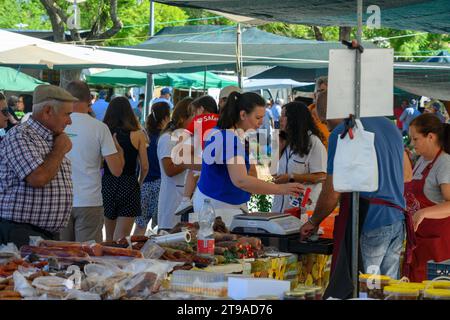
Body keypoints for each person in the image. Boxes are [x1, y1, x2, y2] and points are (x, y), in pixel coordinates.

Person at [300, 99, 406, 299]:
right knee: (389, 290)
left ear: (333, 113)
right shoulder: (389, 126)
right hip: (397, 218)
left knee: (371, 290)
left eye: (326, 122)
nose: (328, 127)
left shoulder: (343, 132)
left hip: (372, 221)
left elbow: (332, 191)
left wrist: (314, 221)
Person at [193, 92, 304, 213]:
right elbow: (241, 180)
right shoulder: (228, 138)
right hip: (219, 206)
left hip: (221, 203)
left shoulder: (226, 133)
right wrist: (281, 189)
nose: (261, 122)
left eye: (262, 117)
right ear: (243, 114)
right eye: (257, 118)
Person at [0, 85, 76, 247]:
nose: (69, 121)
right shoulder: (20, 135)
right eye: (67, 114)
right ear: (48, 111)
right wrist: (59, 149)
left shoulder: (50, 137)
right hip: (20, 232)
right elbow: (38, 178)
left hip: (41, 233)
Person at [60, 81, 125, 243]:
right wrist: (120, 151)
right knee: (88, 258)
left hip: (59, 200)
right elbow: (116, 170)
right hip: (89, 201)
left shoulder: (56, 124)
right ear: (89, 99)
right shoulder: (99, 127)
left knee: (60, 256)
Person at [404, 113, 450, 282]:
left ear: (430, 137)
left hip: (438, 245)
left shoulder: (444, 163)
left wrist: (423, 213)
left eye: (415, 139)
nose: (412, 143)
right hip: (419, 241)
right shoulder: (422, 161)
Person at [102, 97, 149, 241]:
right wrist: (139, 183)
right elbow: (145, 166)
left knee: (109, 238)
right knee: (122, 239)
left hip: (108, 183)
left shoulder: (105, 132)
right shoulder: (138, 134)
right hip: (129, 184)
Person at [272, 102, 327, 213]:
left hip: (302, 207)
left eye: (284, 116)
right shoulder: (285, 141)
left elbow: (321, 176)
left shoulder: (313, 142)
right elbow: (273, 172)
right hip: (279, 207)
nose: (280, 119)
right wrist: (278, 148)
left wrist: (291, 177)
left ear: (295, 119)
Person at [175, 95, 219, 216]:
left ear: (201, 109)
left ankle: (185, 199)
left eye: (194, 113)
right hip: (220, 155)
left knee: (191, 170)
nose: (193, 116)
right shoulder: (221, 119)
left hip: (206, 154)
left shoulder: (198, 121)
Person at [134, 101, 171, 235]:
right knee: (160, 227)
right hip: (161, 185)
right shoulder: (167, 138)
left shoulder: (144, 135)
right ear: (166, 117)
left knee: (140, 226)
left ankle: (133, 250)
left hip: (144, 184)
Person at [157, 97, 193, 231]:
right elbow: (169, 169)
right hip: (171, 204)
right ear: (183, 118)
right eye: (194, 118)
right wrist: (191, 161)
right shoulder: (168, 138)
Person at [308, 78, 330, 148]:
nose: (321, 94)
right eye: (319, 91)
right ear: (315, 95)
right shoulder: (304, 115)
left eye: (324, 91)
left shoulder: (335, 118)